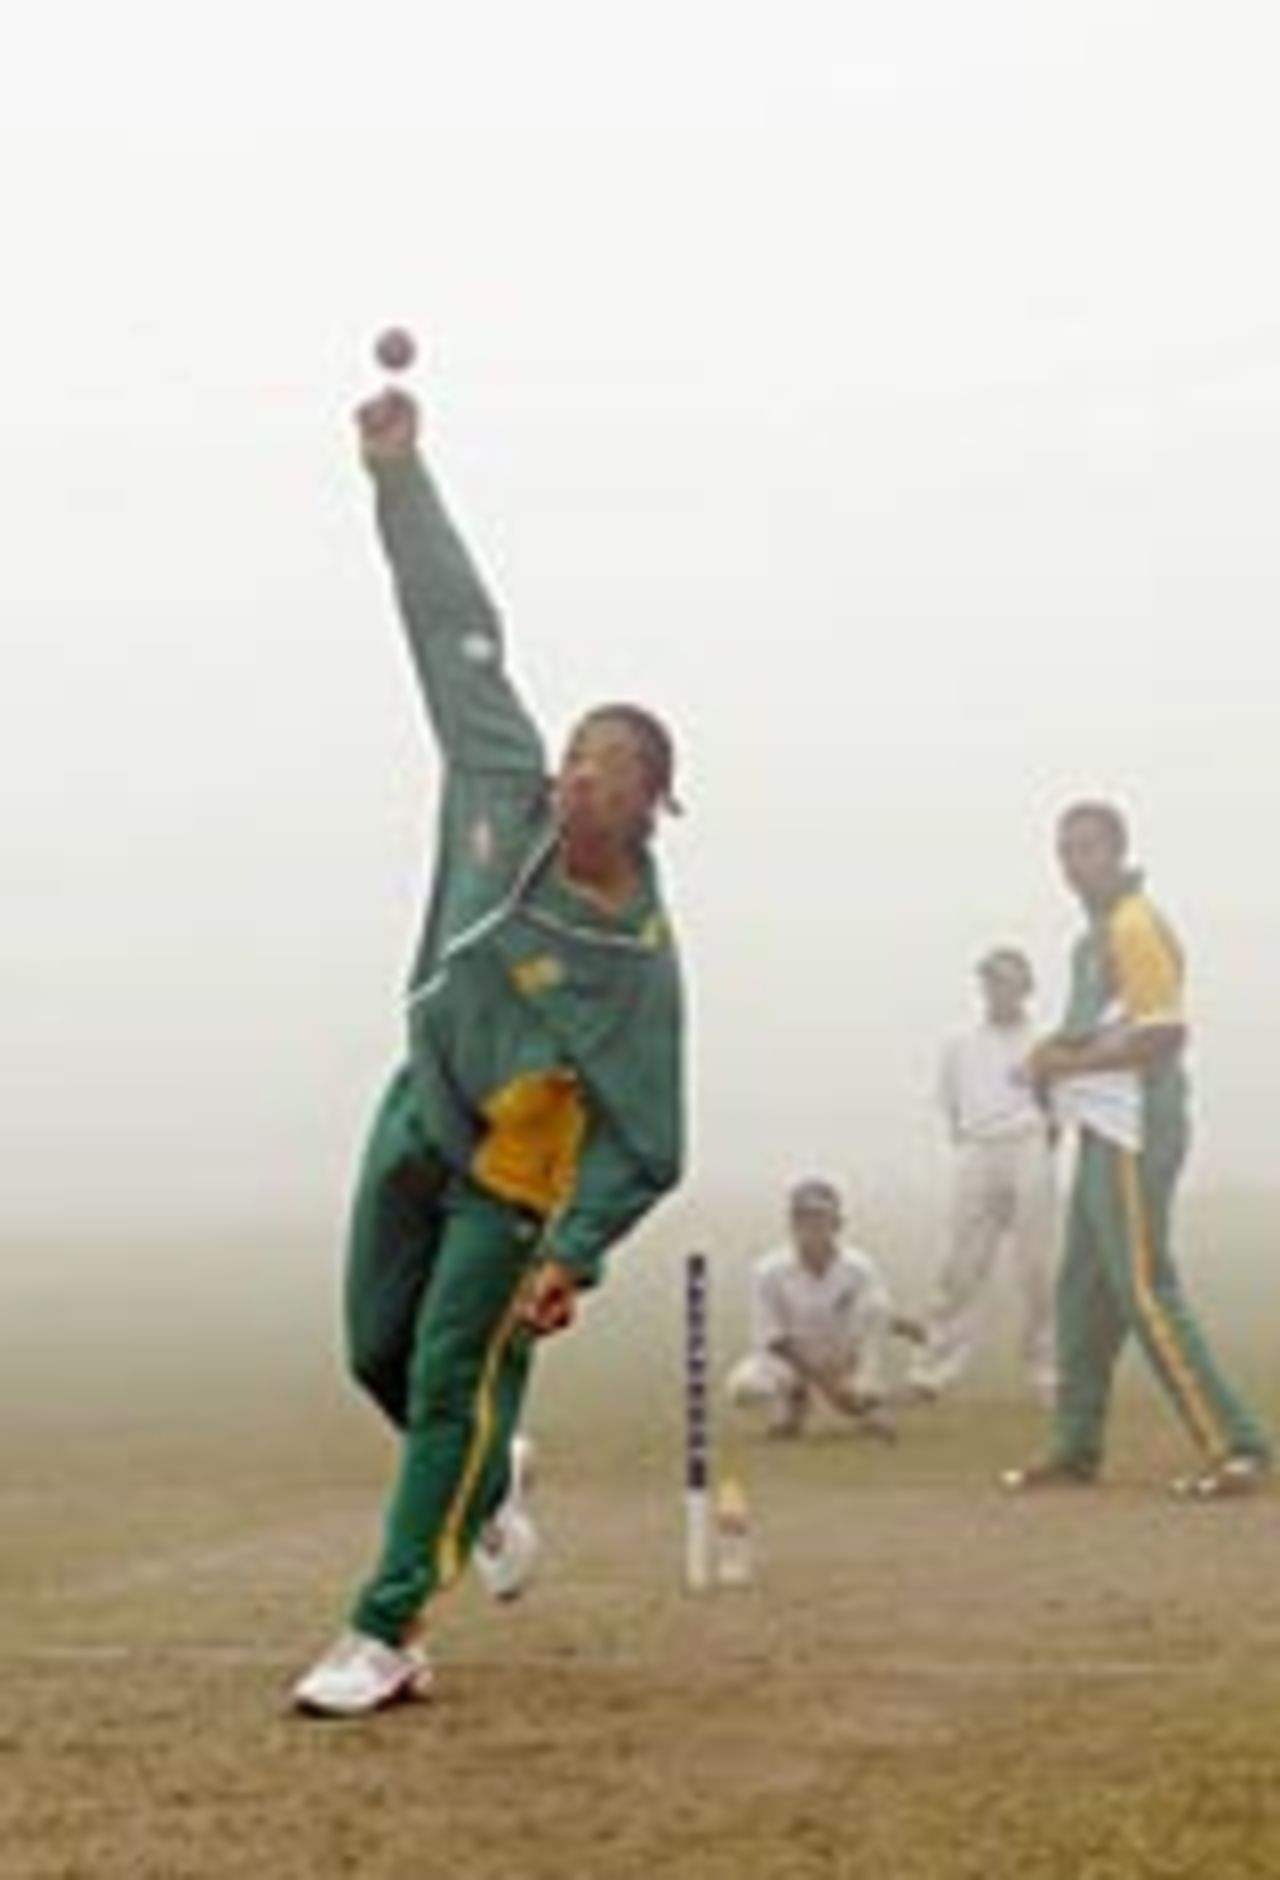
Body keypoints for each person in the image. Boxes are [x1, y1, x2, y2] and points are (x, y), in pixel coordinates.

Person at [293, 380, 685, 1717]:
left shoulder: (634, 960)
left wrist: (575, 1253)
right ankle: (494, 1479)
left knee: (451, 1381)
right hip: (422, 1103)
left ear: (650, 805)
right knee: (372, 1353)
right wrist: (399, 480)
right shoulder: (499, 783)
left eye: (612, 763)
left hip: (513, 1181)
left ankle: (384, 1630)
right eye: (578, 748)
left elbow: (655, 1136)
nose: (579, 768)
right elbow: (456, 628)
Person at [1002, 800, 1268, 1498]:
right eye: (1063, 851)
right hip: (1098, 1128)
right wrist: (1047, 1064)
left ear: (1118, 851)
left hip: (1135, 1123)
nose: (1072, 865)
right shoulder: (1090, 940)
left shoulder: (1134, 925)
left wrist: (1066, 1065)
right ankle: (1075, 1446)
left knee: (1146, 1287)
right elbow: (1086, 1031)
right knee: (1082, 1291)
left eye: (1086, 849)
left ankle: (1235, 1445)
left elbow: (1163, 1034)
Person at [906, 947, 1057, 1404]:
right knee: (961, 1264)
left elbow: (1060, 1105)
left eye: (1008, 982)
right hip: (977, 1148)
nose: (998, 991)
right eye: (991, 982)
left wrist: (1041, 1143)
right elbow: (949, 1102)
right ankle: (934, 1370)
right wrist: (974, 1143)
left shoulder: (1045, 1042)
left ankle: (1048, 1370)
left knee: (1038, 1267)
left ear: (1025, 988)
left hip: (1030, 1144)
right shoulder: (960, 1043)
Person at [726, 1178, 920, 1441]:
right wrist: (828, 1386)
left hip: (845, 1358)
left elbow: (875, 1312)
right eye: (803, 1217)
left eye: (820, 1217)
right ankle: (794, 1400)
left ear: (838, 1223)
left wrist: (912, 1329)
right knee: (744, 1387)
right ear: (792, 1224)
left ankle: (868, 1395)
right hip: (791, 1359)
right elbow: (772, 1337)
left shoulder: (859, 1266)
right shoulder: (767, 1271)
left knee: (876, 1313)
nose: (812, 1226)